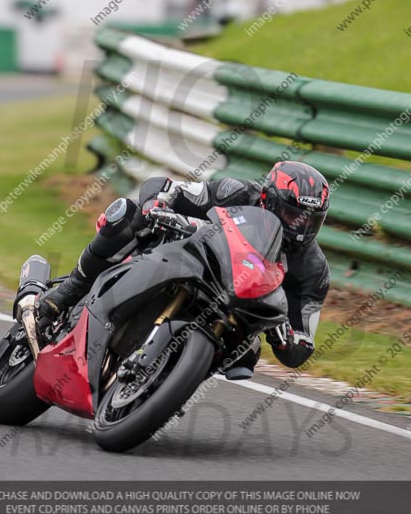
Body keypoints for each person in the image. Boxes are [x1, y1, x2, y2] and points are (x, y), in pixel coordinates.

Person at [36, 161, 330, 378]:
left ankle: (167, 382)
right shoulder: (236, 192)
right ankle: (68, 290)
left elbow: (302, 346)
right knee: (127, 214)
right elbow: (166, 187)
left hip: (235, 309)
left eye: (309, 220)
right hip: (193, 260)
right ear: (268, 198)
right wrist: (155, 204)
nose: (299, 227)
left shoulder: (313, 272)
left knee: (247, 354)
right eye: (292, 215)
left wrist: (285, 336)